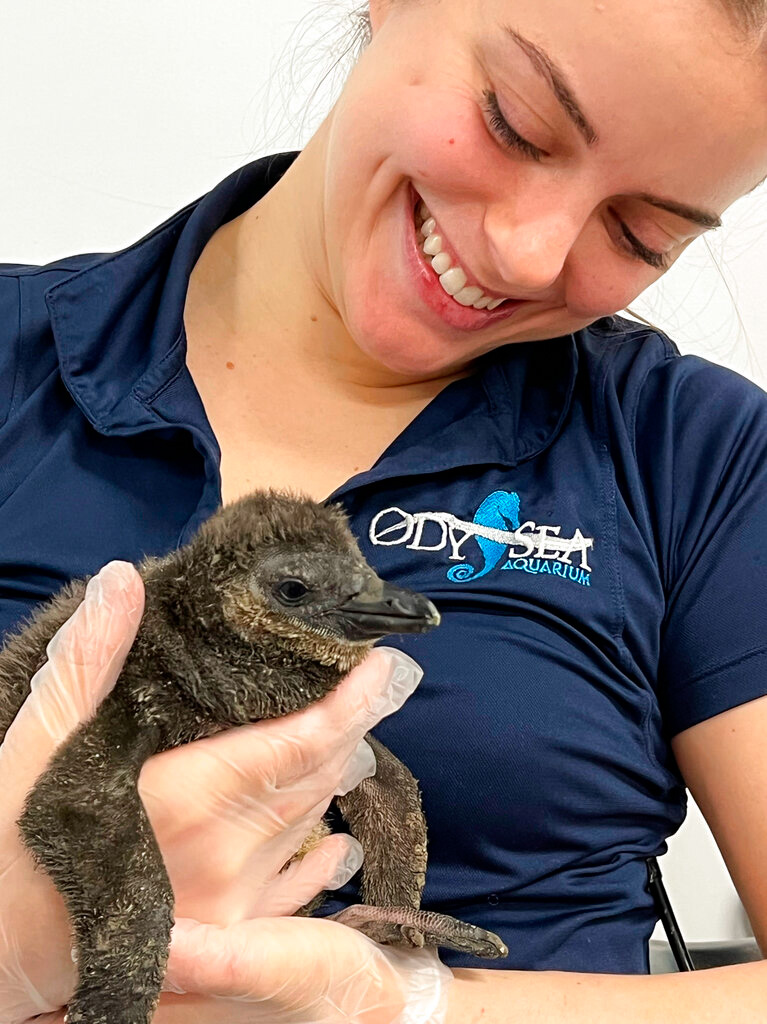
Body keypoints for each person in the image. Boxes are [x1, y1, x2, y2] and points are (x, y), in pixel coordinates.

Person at [2, 0, 767, 1019]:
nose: (528, 254)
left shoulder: (694, 456)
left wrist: (410, 1007)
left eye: (637, 235)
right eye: (514, 123)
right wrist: (17, 943)